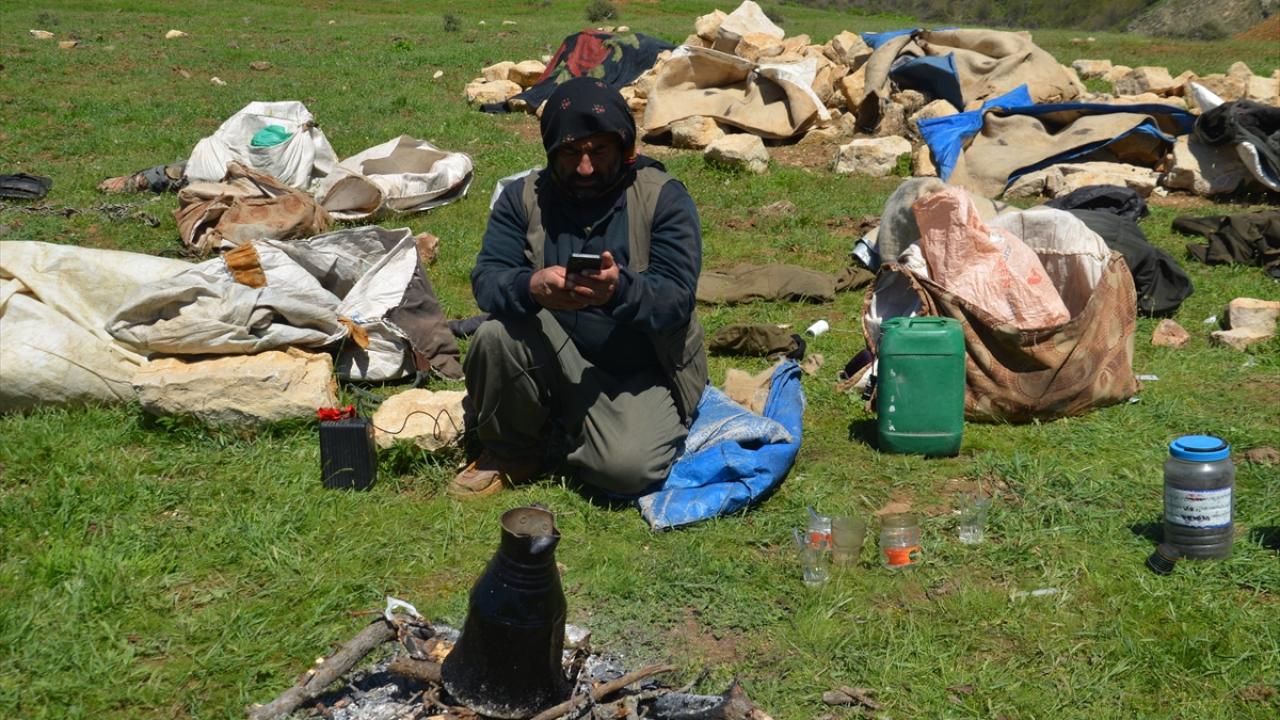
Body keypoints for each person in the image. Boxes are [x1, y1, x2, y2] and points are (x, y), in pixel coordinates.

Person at [452, 77, 706, 499]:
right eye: (570, 152)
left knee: (627, 470)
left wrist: (621, 290)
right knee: (494, 336)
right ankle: (513, 451)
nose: (584, 168)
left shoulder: (664, 199)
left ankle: (570, 430)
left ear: (627, 150)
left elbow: (676, 298)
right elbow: (488, 280)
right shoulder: (522, 198)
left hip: (642, 367)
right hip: (556, 349)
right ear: (551, 151)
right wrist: (531, 285)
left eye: (598, 151)